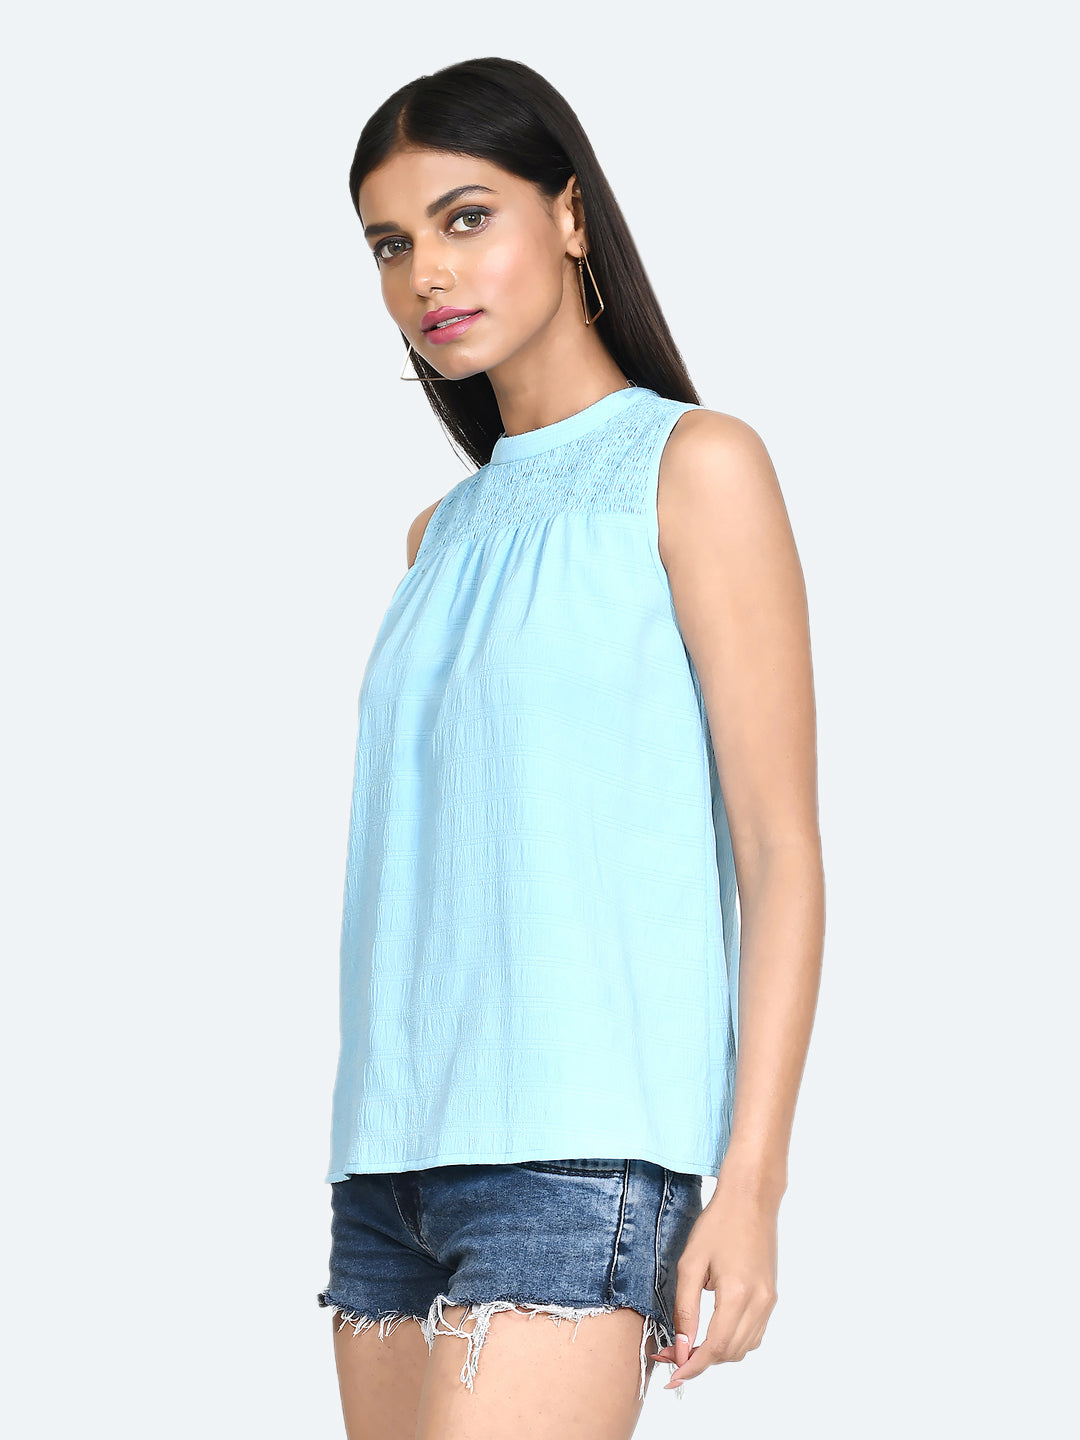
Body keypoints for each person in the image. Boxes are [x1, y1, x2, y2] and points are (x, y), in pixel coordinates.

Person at [317, 56, 825, 1440]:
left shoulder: (694, 467)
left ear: (571, 216)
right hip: (387, 1170)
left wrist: (753, 1184)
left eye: (466, 217)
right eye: (390, 243)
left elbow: (778, 848)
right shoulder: (437, 537)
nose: (426, 272)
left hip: (579, 1157)